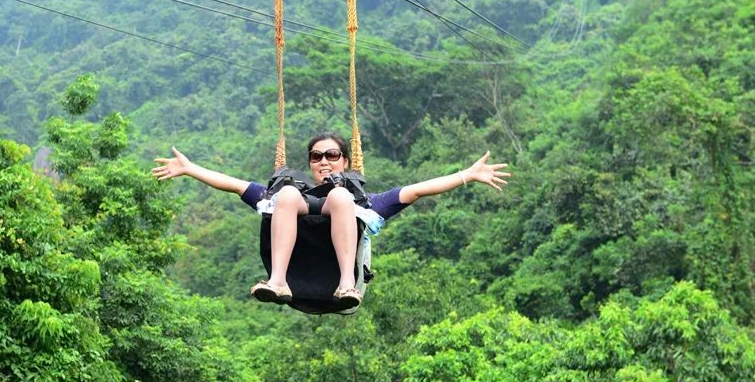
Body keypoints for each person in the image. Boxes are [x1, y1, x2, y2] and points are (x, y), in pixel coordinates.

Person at [152, 133, 510, 308]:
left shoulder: (365, 203)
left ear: (345, 161)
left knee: (339, 197)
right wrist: (189, 168)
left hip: (337, 286)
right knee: (287, 195)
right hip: (296, 280)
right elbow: (233, 184)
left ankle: (346, 285)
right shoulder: (286, 198)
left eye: (332, 155)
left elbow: (417, 190)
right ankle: (276, 281)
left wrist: (468, 174)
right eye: (316, 156)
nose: (324, 161)